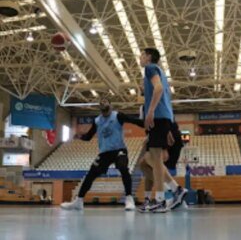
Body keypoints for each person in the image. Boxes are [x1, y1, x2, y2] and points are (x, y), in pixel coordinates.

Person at [61, 98, 144, 211]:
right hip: (105, 153)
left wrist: (147, 124)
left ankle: (129, 199)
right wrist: (79, 136)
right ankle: (79, 201)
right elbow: (89, 136)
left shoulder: (117, 116)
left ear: (111, 106)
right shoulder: (97, 121)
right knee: (90, 174)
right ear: (100, 110)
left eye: (107, 109)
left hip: (119, 150)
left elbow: (134, 121)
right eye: (104, 111)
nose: (106, 113)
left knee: (123, 168)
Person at [139, 48, 187, 213]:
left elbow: (158, 89)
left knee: (155, 159)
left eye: (142, 54)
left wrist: (150, 111)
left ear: (148, 57)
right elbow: (166, 96)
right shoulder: (161, 71)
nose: (140, 57)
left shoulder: (150, 68)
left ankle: (161, 198)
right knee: (150, 160)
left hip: (158, 117)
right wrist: (167, 130)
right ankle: (173, 190)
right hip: (164, 118)